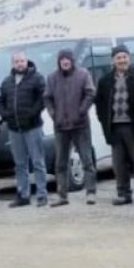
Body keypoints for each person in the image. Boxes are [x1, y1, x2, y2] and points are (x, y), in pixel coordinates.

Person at [95, 44, 134, 206]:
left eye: (124, 57)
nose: (122, 60)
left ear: (129, 58)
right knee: (118, 164)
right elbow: (100, 105)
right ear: (113, 61)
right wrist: (104, 122)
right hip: (114, 128)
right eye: (118, 58)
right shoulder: (104, 81)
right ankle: (123, 194)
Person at [45, 49, 96, 207]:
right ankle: (62, 196)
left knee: (87, 160)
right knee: (60, 163)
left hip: (80, 125)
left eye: (67, 59)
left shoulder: (83, 74)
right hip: (61, 126)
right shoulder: (52, 78)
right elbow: (47, 97)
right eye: (62, 60)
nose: (65, 62)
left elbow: (90, 93)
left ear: (72, 61)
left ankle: (91, 193)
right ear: (59, 62)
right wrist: (54, 114)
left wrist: (82, 111)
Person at [0, 51, 49, 208]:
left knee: (38, 162)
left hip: (33, 127)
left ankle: (41, 195)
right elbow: (1, 102)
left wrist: (32, 114)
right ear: (12, 64)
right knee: (20, 164)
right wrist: (6, 115)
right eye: (17, 61)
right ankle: (23, 194)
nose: (20, 64)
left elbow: (43, 98)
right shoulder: (7, 82)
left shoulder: (37, 78)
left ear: (26, 61)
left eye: (22, 61)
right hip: (14, 129)